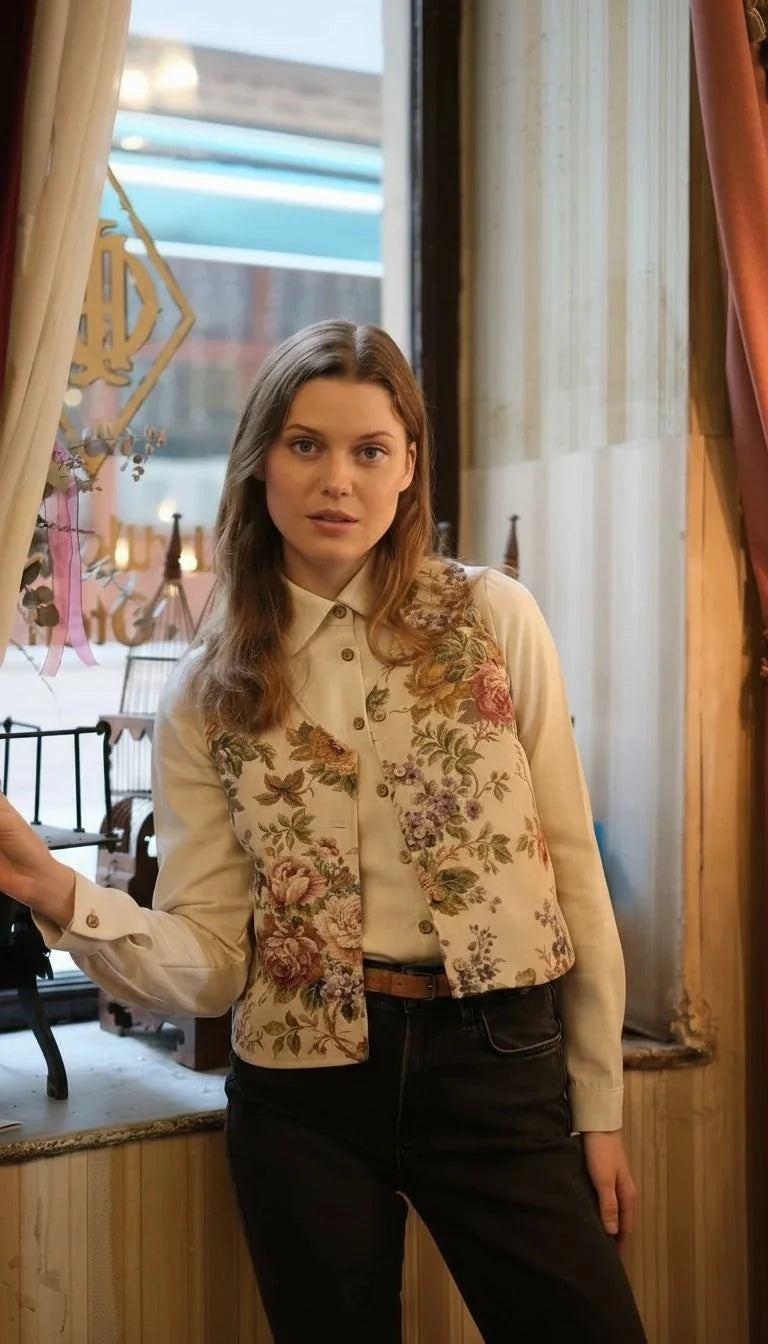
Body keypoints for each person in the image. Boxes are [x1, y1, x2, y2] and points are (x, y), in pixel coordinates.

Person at [0, 320, 647, 1343]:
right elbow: (212, 961)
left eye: (369, 450)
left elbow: (573, 876)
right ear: (261, 459)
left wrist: (597, 1105)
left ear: (409, 466)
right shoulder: (207, 691)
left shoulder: (495, 619)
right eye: (305, 445)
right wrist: (56, 893)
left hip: (499, 1062)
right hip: (304, 1097)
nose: (336, 480)